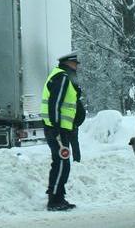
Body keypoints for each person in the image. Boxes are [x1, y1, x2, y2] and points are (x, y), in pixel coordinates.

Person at [40, 51, 84, 211]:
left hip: (59, 128)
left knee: (61, 163)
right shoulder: (62, 77)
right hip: (57, 130)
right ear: (69, 63)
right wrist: (56, 128)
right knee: (61, 163)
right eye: (75, 64)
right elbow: (55, 103)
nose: (77, 66)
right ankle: (54, 200)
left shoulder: (62, 76)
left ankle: (58, 196)